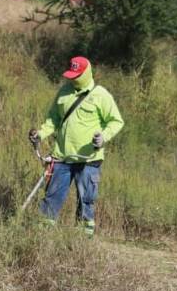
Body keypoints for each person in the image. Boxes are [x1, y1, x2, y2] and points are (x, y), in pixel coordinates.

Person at [29, 57, 124, 237]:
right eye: (71, 75)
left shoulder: (100, 95)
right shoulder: (64, 92)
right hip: (62, 157)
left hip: (89, 160)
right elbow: (53, 119)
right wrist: (40, 134)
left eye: (76, 76)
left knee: (86, 201)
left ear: (86, 73)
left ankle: (81, 244)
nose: (72, 79)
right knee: (51, 199)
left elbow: (116, 121)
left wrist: (103, 137)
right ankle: (40, 240)